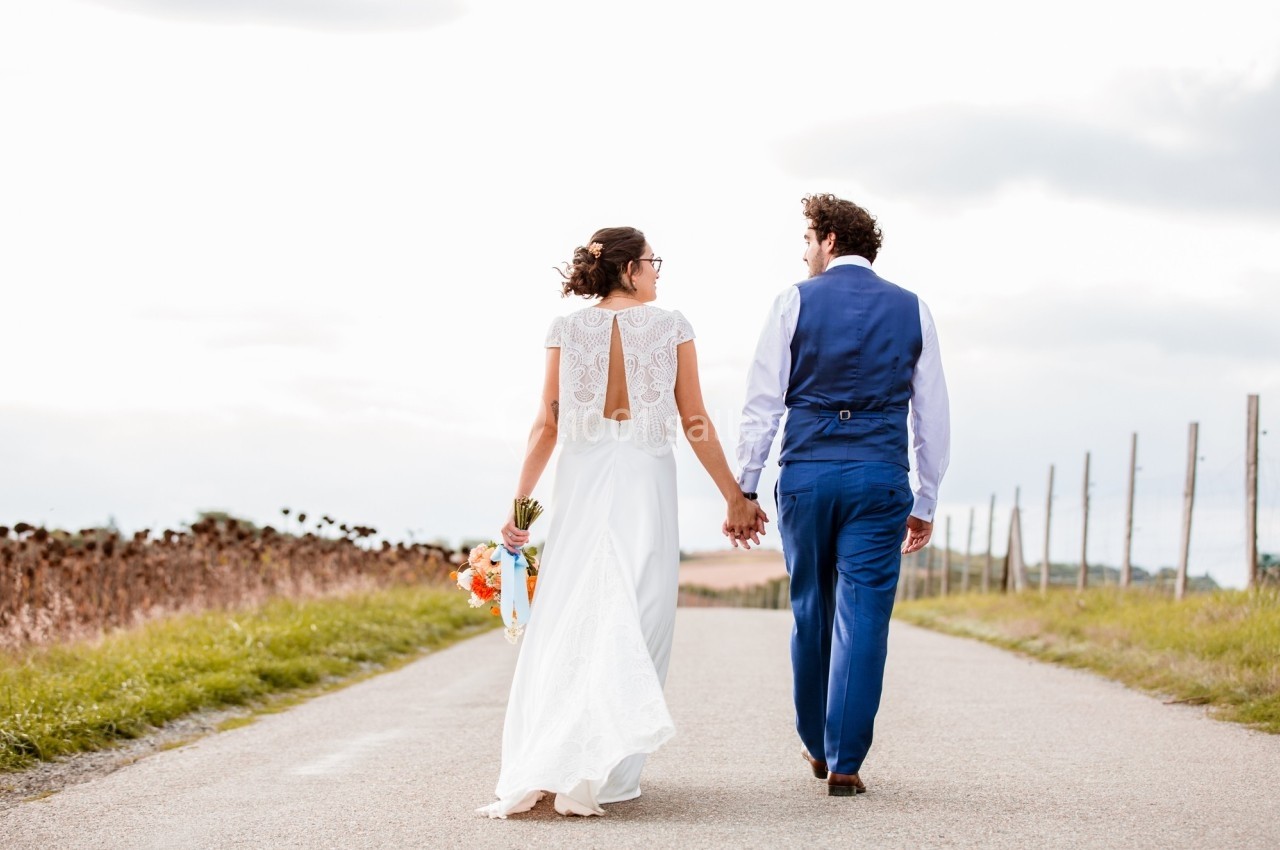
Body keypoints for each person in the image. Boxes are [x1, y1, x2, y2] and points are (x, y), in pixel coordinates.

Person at [478, 226, 766, 818]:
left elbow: (546, 425)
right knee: (641, 615)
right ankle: (604, 769)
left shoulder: (565, 328)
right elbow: (695, 420)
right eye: (652, 262)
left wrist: (520, 504)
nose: (658, 273)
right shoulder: (673, 325)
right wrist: (734, 496)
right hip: (643, 477)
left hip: (581, 480)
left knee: (570, 611)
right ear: (629, 269)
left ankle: (559, 755)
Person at [732, 194, 950, 796]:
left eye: (806, 240)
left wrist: (745, 486)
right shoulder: (914, 310)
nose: (803, 253)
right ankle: (846, 758)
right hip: (880, 477)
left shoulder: (793, 301)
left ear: (829, 239)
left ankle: (814, 745)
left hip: (808, 473)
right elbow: (933, 415)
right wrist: (925, 501)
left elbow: (762, 402)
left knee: (810, 609)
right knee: (866, 618)